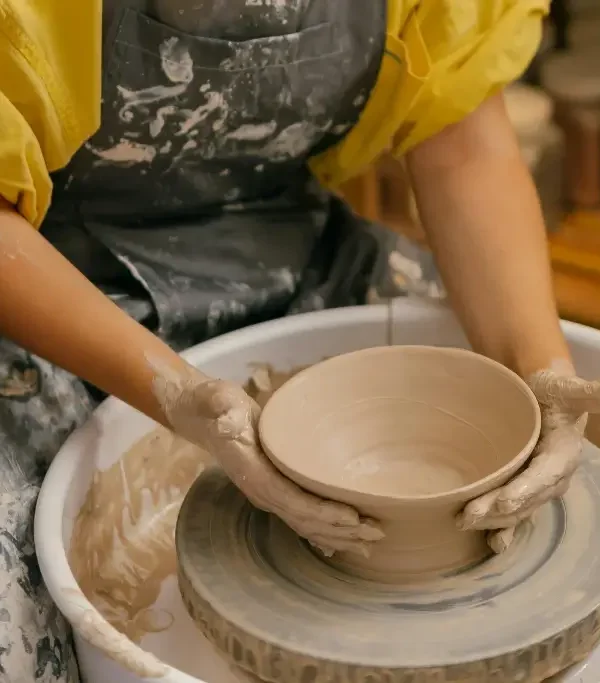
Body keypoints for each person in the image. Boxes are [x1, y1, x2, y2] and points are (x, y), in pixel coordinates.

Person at [1, 0, 599, 680]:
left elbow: (460, 142)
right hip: (53, 280)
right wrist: (175, 393)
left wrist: (537, 366)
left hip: (295, 245)